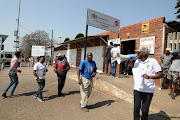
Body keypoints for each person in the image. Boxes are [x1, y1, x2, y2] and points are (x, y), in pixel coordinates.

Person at [131, 47, 162, 120]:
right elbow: (135, 70)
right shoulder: (137, 61)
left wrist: (149, 77)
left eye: (139, 52)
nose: (137, 54)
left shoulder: (152, 61)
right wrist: (130, 63)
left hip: (148, 89)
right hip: (137, 88)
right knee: (136, 108)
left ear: (144, 53)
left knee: (144, 110)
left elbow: (160, 74)